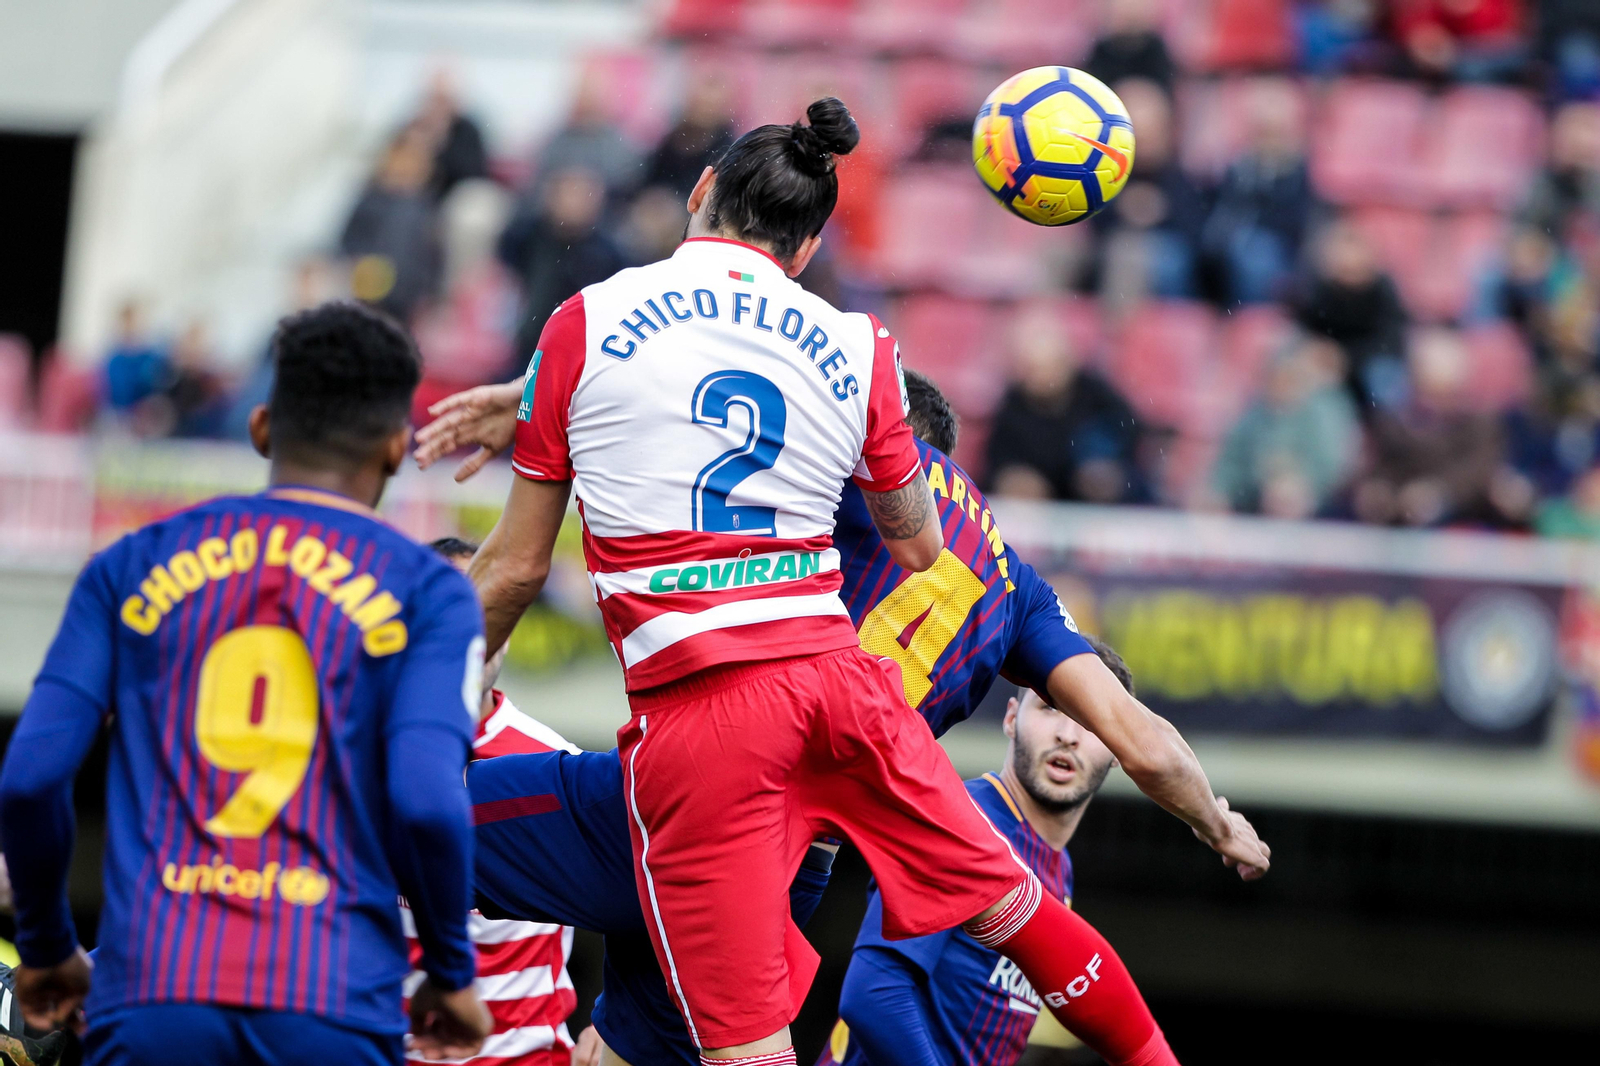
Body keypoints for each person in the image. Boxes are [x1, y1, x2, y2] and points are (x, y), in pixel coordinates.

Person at [426, 102, 1268, 1041]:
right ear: (814, 241)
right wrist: (1218, 821)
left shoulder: (607, 328)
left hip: (706, 760)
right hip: (837, 769)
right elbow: (1139, 737)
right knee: (1019, 917)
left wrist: (548, 391)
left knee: (391, 812)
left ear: (700, 192)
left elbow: (534, 550)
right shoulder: (975, 529)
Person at [0, 302, 492, 1065]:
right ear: (397, 447)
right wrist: (452, 974)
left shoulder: (130, 566)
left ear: (261, 427)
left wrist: (46, 946)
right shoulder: (429, 592)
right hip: (334, 1004)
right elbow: (429, 801)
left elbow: (31, 778)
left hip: (154, 997)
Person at [822, 644, 1131, 1066]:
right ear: (1010, 719)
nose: (1067, 733)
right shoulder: (959, 822)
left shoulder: (1059, 868)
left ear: (1120, 748)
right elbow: (873, 997)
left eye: (1089, 720)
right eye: (1049, 707)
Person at [400, 537, 583, 1066]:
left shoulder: (555, 762)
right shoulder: (345, 757)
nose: (469, 637)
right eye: (447, 613)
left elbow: (661, 898)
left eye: (486, 612)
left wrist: (619, 1018)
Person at [982, 305, 1147, 503]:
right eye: (1032, 370)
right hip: (1040, 513)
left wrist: (1108, 470)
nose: (1042, 378)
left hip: (1100, 508)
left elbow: (1128, 435)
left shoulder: (1098, 395)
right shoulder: (1012, 407)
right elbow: (1001, 464)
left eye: (1048, 368)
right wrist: (1013, 479)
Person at [1207, 336, 1361, 519]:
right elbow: (1231, 462)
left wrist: (1302, 484)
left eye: (1289, 377)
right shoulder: (1253, 414)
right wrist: (1218, 490)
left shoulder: (1319, 414)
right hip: (1253, 502)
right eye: (1276, 377)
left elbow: (1331, 465)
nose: (1282, 384)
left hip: (1316, 507)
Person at [341, 127, 444, 323]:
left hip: (408, 297)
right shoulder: (371, 198)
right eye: (403, 158)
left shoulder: (426, 206)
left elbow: (434, 253)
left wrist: (430, 291)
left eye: (416, 160)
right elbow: (348, 239)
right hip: (369, 291)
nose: (407, 166)